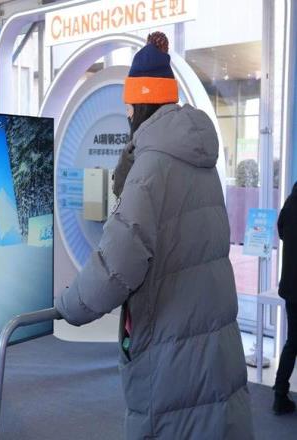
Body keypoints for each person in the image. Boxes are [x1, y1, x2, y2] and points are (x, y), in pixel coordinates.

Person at [55, 32, 254, 439]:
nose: (127, 115)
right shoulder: (199, 161)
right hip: (213, 342)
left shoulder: (151, 169)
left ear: (142, 104)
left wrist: (67, 305)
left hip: (172, 349)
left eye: (129, 107)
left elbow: (115, 266)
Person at [273, 182, 297, 414]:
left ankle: (280, 394)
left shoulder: (289, 203)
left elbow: (281, 232)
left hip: (290, 286)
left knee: (292, 342)